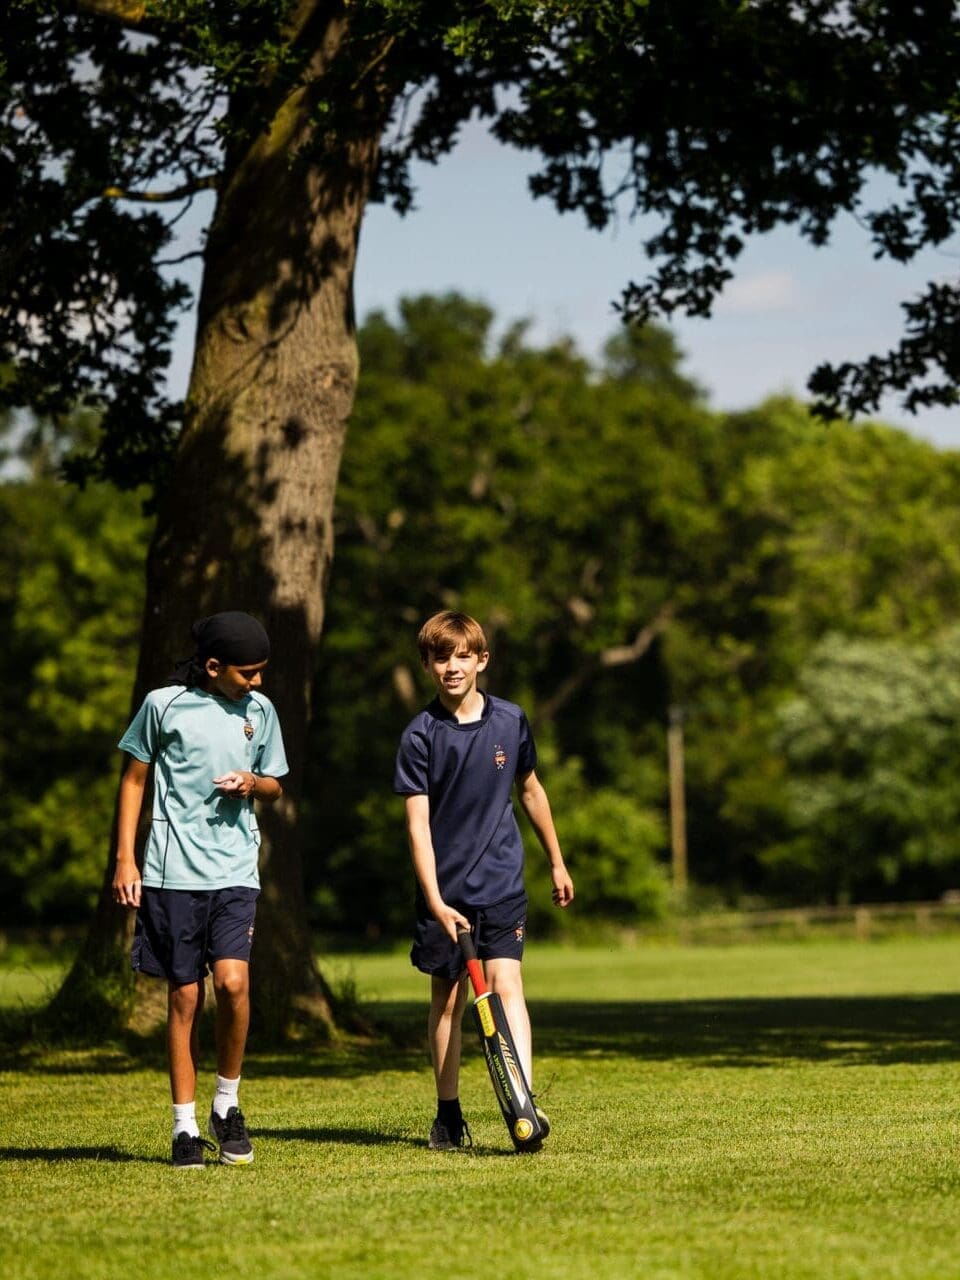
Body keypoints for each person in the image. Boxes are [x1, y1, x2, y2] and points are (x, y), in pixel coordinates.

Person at [112, 610, 289, 1169]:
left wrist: (253, 783)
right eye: (247, 673)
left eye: (262, 671)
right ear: (214, 667)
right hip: (171, 875)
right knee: (185, 996)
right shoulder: (163, 706)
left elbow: (276, 785)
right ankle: (184, 1128)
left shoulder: (260, 712)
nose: (257, 682)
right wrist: (124, 860)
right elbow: (134, 779)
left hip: (235, 870)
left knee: (234, 985)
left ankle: (227, 1105)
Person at [393, 609, 574, 1151]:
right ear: (427, 664)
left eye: (462, 655)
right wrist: (434, 899)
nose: (452, 666)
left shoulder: (511, 721)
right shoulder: (420, 737)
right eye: (441, 657)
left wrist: (557, 861)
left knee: (508, 985)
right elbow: (418, 827)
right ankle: (448, 1114)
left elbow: (532, 790)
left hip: (502, 883)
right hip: (443, 894)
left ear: (481, 660)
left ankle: (523, 1100)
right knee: (446, 1001)